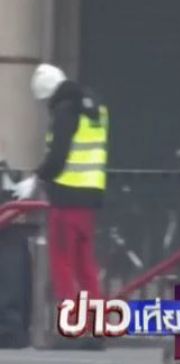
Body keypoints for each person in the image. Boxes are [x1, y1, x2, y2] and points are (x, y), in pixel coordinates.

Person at [13, 64, 108, 311]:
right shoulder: (93, 107)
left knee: (62, 264)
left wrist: (37, 177)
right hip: (89, 198)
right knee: (85, 267)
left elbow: (58, 157)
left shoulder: (65, 110)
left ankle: (70, 322)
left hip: (66, 197)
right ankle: (95, 323)